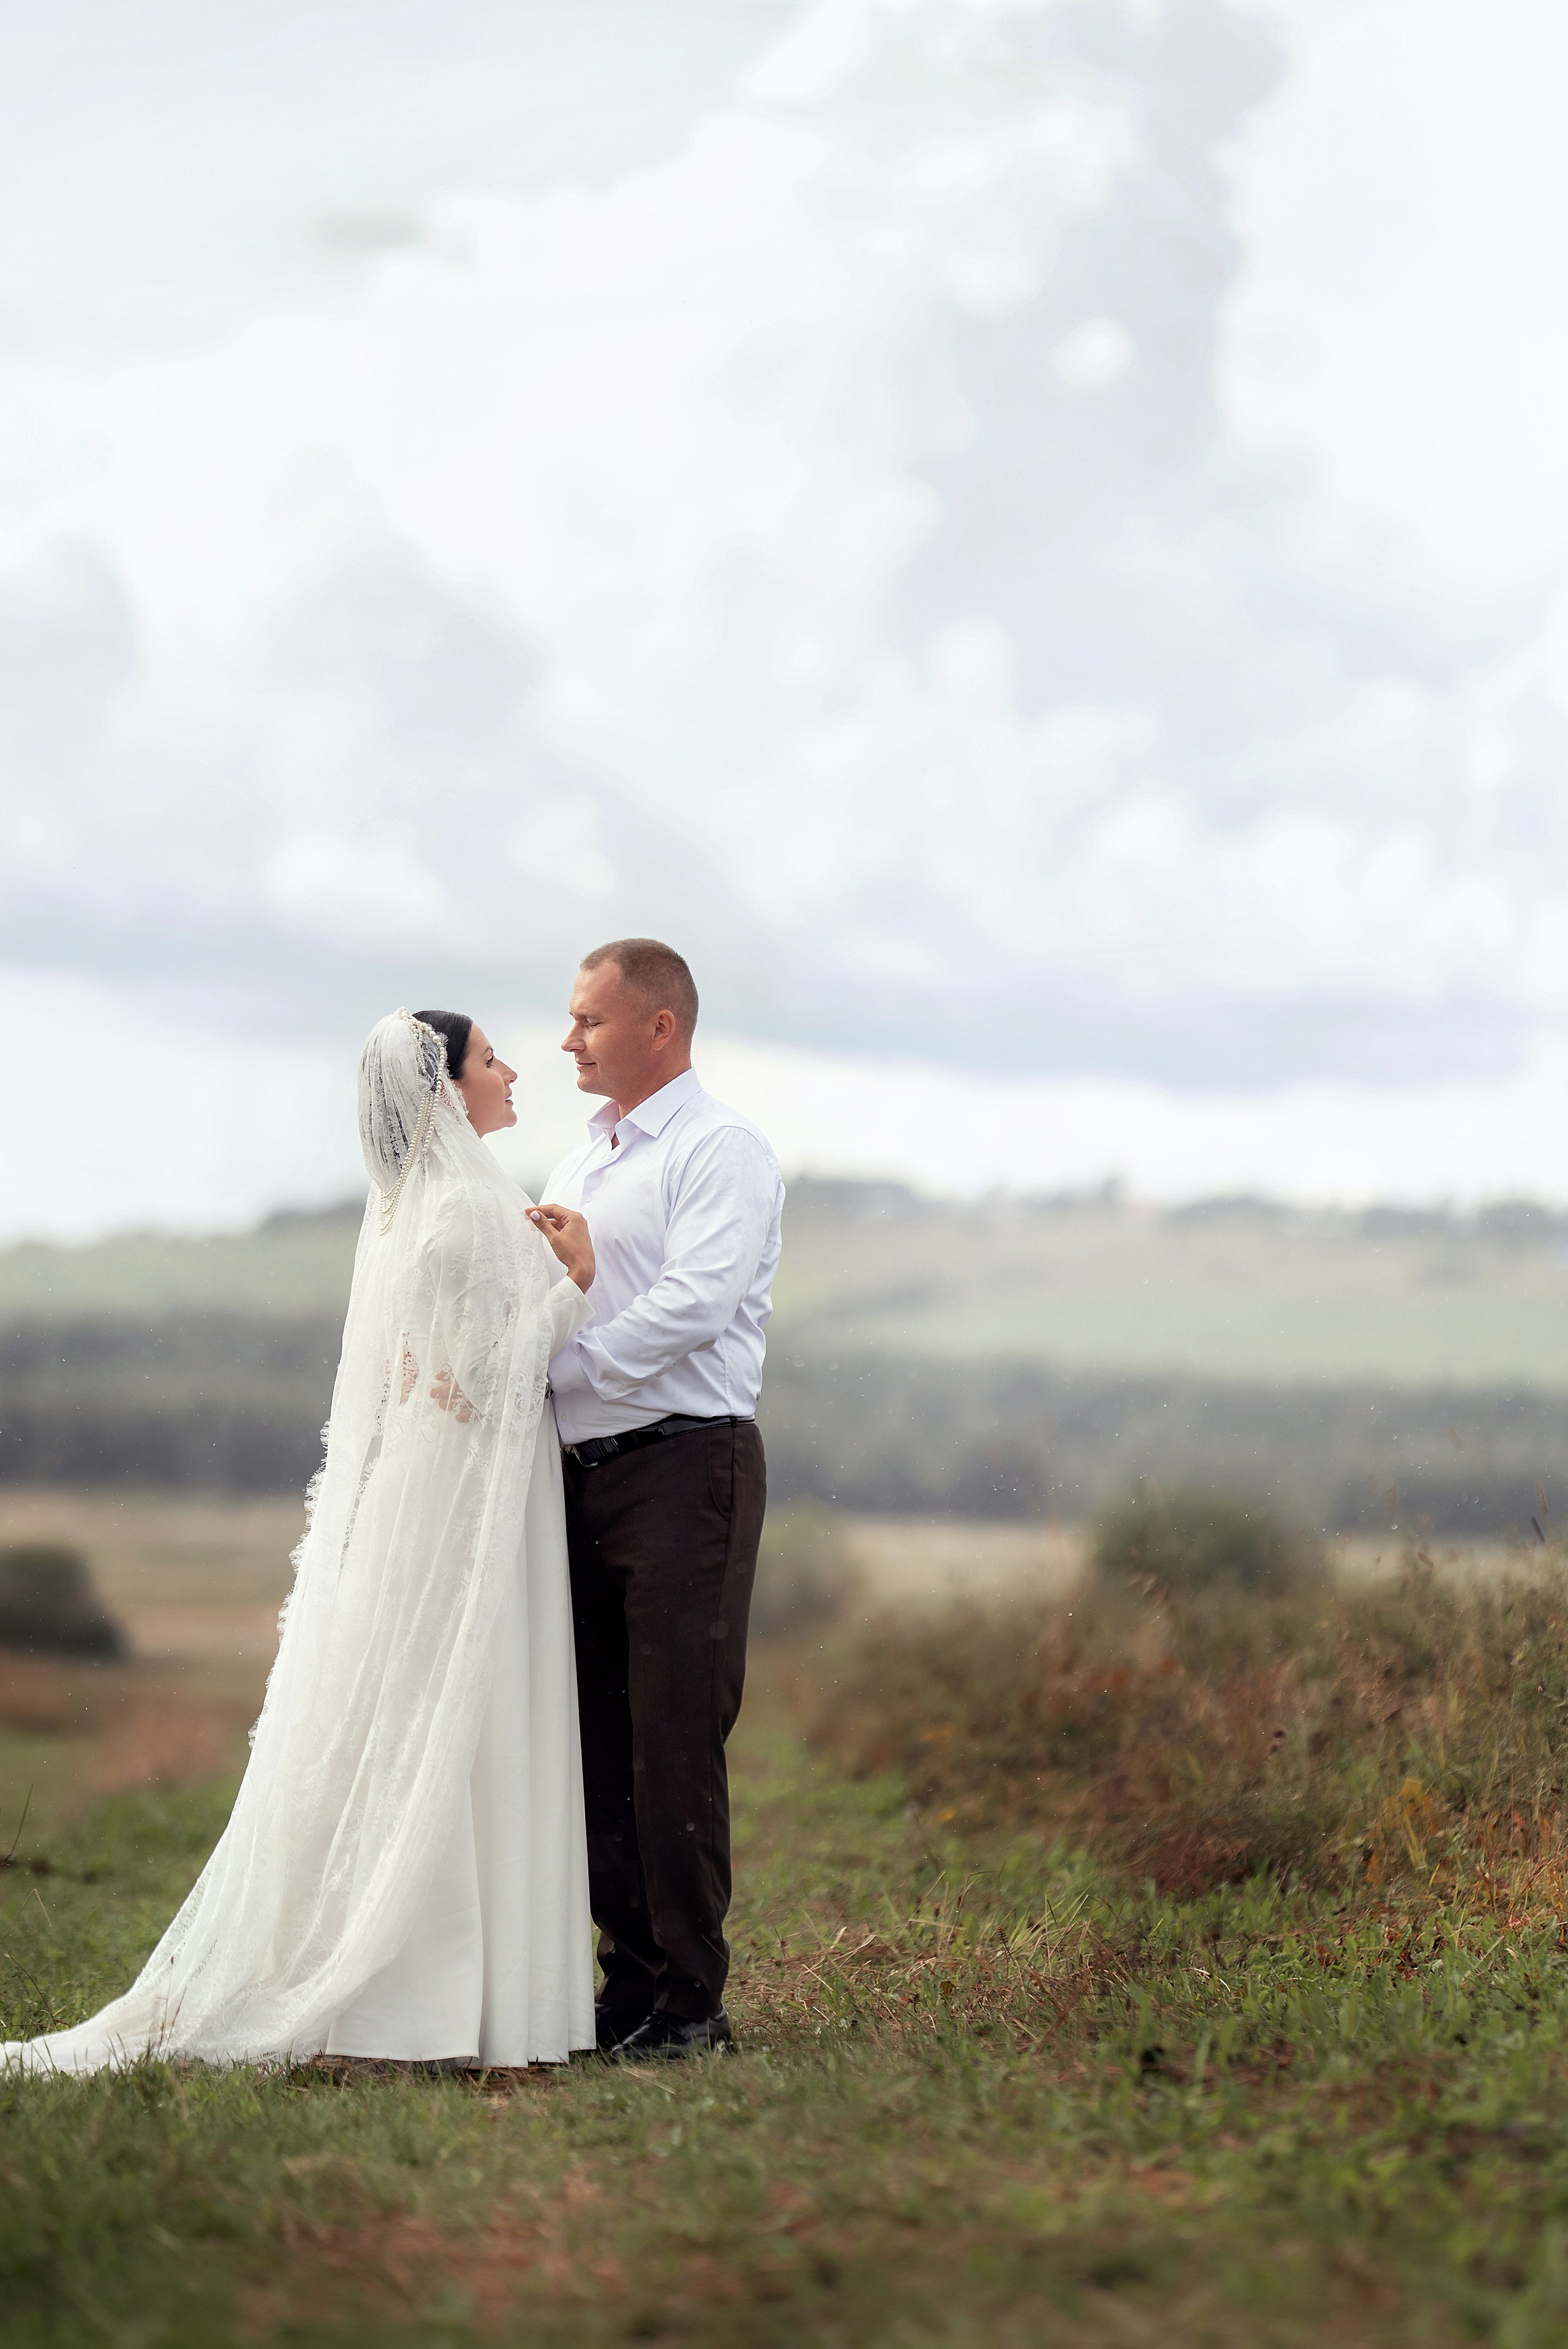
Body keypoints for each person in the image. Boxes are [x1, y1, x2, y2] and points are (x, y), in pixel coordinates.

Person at [3, 1009, 599, 2075]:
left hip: (443, 1491)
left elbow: (423, 1374)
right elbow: (475, 1386)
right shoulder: (463, 1211)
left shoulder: (427, 1206)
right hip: (469, 1496)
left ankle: (442, 1997)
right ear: (449, 1090)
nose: (512, 1071)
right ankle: (424, 2007)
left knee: (429, 1713)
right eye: (490, 1057)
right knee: (460, 1718)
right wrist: (577, 1289)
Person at [531, 938, 783, 2059]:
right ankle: (628, 1989)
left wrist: (563, 1370)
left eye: (588, 1020)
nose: (569, 1039)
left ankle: (694, 2006)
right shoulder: (578, 1160)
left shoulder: (721, 1149)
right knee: (597, 1738)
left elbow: (695, 1303)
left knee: (675, 1739)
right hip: (579, 1478)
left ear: (659, 1028)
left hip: (689, 1468)